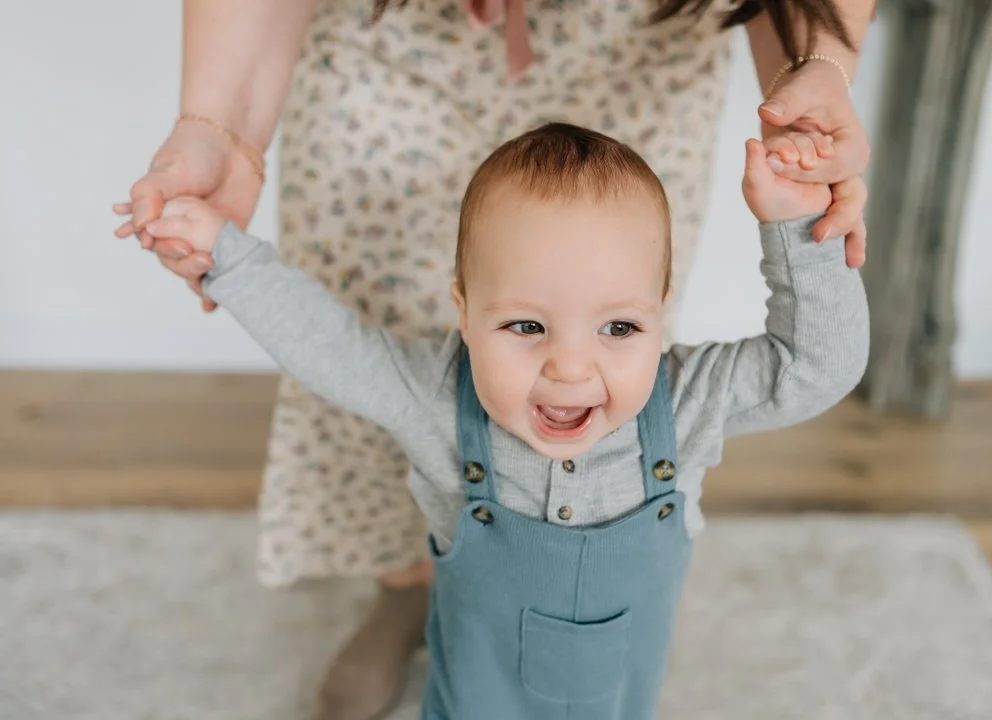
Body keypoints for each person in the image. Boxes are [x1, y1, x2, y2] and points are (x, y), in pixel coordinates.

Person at [114, 1, 873, 717]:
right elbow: (330, 344)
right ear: (463, 313)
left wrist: (799, 224)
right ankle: (400, 591)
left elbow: (816, 366)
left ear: (661, 306)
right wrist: (227, 256)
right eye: (522, 325)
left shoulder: (688, 403)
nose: (570, 369)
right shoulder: (440, 401)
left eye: (618, 328)